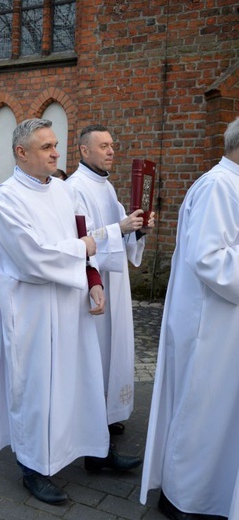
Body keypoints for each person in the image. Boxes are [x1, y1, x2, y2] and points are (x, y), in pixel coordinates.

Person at [0, 118, 142, 505]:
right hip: (33, 310)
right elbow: (33, 258)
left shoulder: (62, 190)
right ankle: (33, 466)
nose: (57, 153)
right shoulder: (4, 199)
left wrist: (94, 282)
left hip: (71, 302)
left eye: (56, 144)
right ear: (21, 153)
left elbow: (80, 235)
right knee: (37, 388)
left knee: (82, 380)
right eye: (46, 147)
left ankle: (95, 451)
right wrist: (90, 245)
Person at [140, 117, 239, 519]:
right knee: (203, 411)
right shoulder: (220, 186)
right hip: (210, 324)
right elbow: (209, 258)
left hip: (221, 321)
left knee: (214, 411)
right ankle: (185, 499)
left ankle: (206, 493)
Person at [67, 125, 155, 452]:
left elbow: (124, 237)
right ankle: (92, 417)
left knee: (114, 346)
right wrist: (121, 227)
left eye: (112, 146)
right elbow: (79, 240)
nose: (111, 151)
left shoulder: (108, 188)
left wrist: (139, 230)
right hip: (93, 281)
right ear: (84, 151)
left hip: (116, 281)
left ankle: (107, 412)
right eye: (103, 146)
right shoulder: (75, 188)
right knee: (97, 349)